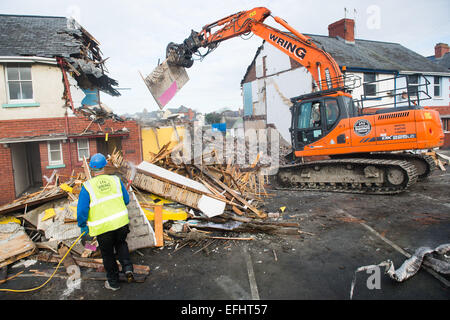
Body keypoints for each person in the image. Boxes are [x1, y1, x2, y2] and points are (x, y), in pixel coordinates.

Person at [77, 153, 134, 291]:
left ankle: (113, 283)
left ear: (92, 169)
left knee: (108, 254)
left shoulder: (87, 186)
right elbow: (126, 200)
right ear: (105, 166)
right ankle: (127, 268)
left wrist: (83, 225)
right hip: (121, 223)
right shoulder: (115, 180)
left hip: (103, 229)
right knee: (121, 244)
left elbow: (82, 211)